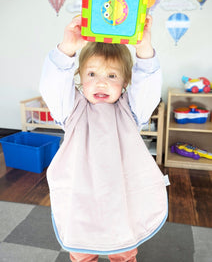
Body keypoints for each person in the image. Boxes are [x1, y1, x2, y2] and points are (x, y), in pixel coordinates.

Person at [39, 15, 168, 262]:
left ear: (125, 82)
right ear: (79, 78)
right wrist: (67, 48)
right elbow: (53, 87)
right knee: (81, 250)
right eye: (91, 74)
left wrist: (143, 49)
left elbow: (148, 88)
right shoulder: (72, 110)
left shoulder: (130, 111)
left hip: (121, 197)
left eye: (111, 76)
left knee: (123, 248)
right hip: (81, 197)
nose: (101, 82)